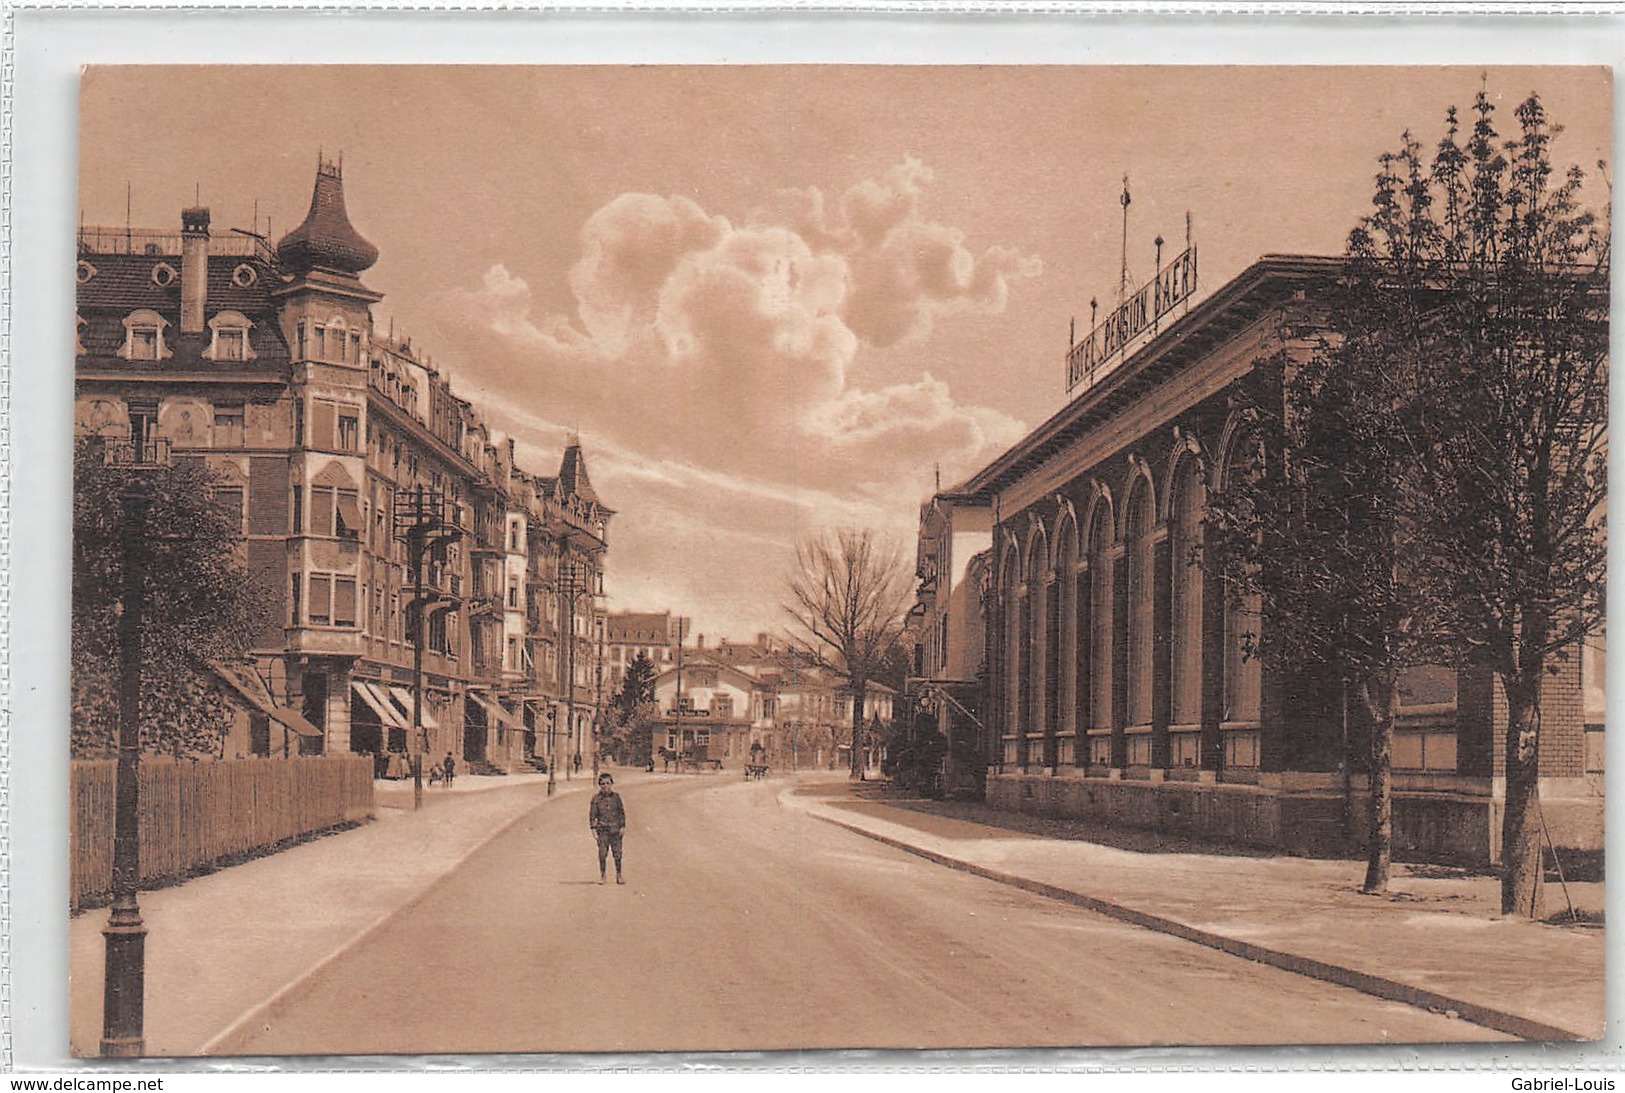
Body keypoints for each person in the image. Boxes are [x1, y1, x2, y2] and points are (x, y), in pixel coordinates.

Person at [588, 772, 626, 885]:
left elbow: (621, 813)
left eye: (608, 783)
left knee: (617, 854)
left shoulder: (616, 797)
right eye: (603, 784)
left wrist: (623, 826)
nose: (605, 786)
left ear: (611, 784)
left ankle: (619, 875)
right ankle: (603, 876)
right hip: (603, 830)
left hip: (615, 830)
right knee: (602, 854)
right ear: (600, 785)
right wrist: (593, 829)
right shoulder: (596, 799)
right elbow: (592, 815)